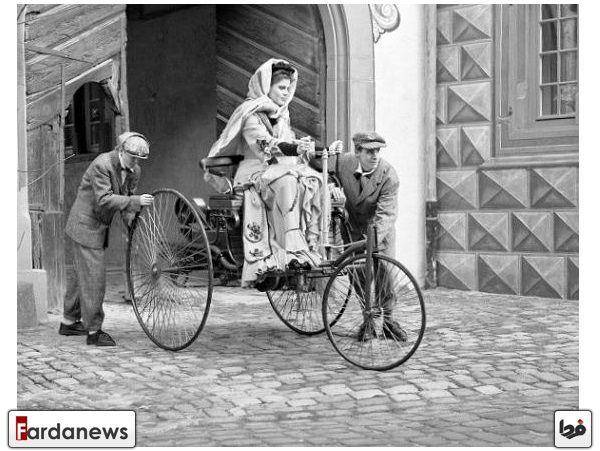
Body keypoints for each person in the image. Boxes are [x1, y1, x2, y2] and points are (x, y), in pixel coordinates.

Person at [204, 59, 327, 288]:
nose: (286, 92)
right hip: (253, 172)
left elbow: (289, 144)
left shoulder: (282, 115)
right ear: (266, 86)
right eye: (281, 87)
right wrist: (294, 148)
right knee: (288, 181)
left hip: (276, 169)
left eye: (289, 88)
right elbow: (265, 146)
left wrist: (313, 148)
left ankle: (310, 245)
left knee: (312, 180)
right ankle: (287, 250)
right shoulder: (250, 114)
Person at [59, 132, 154, 346]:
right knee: (94, 279)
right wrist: (136, 201)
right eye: (132, 157)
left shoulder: (134, 171)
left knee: (81, 275)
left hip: (97, 226)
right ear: (121, 150)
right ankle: (94, 332)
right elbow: (104, 199)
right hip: (85, 226)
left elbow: (126, 202)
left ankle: (68, 322)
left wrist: (131, 222)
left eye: (139, 159)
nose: (135, 162)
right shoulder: (101, 165)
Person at [311, 132, 407, 342]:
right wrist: (330, 185)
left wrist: (371, 242)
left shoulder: (388, 175)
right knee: (359, 275)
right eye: (369, 151)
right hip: (353, 227)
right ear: (357, 152)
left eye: (377, 151)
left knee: (385, 274)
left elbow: (386, 214)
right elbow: (318, 164)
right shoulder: (344, 162)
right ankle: (368, 322)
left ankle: (389, 322)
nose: (375, 156)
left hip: (380, 230)